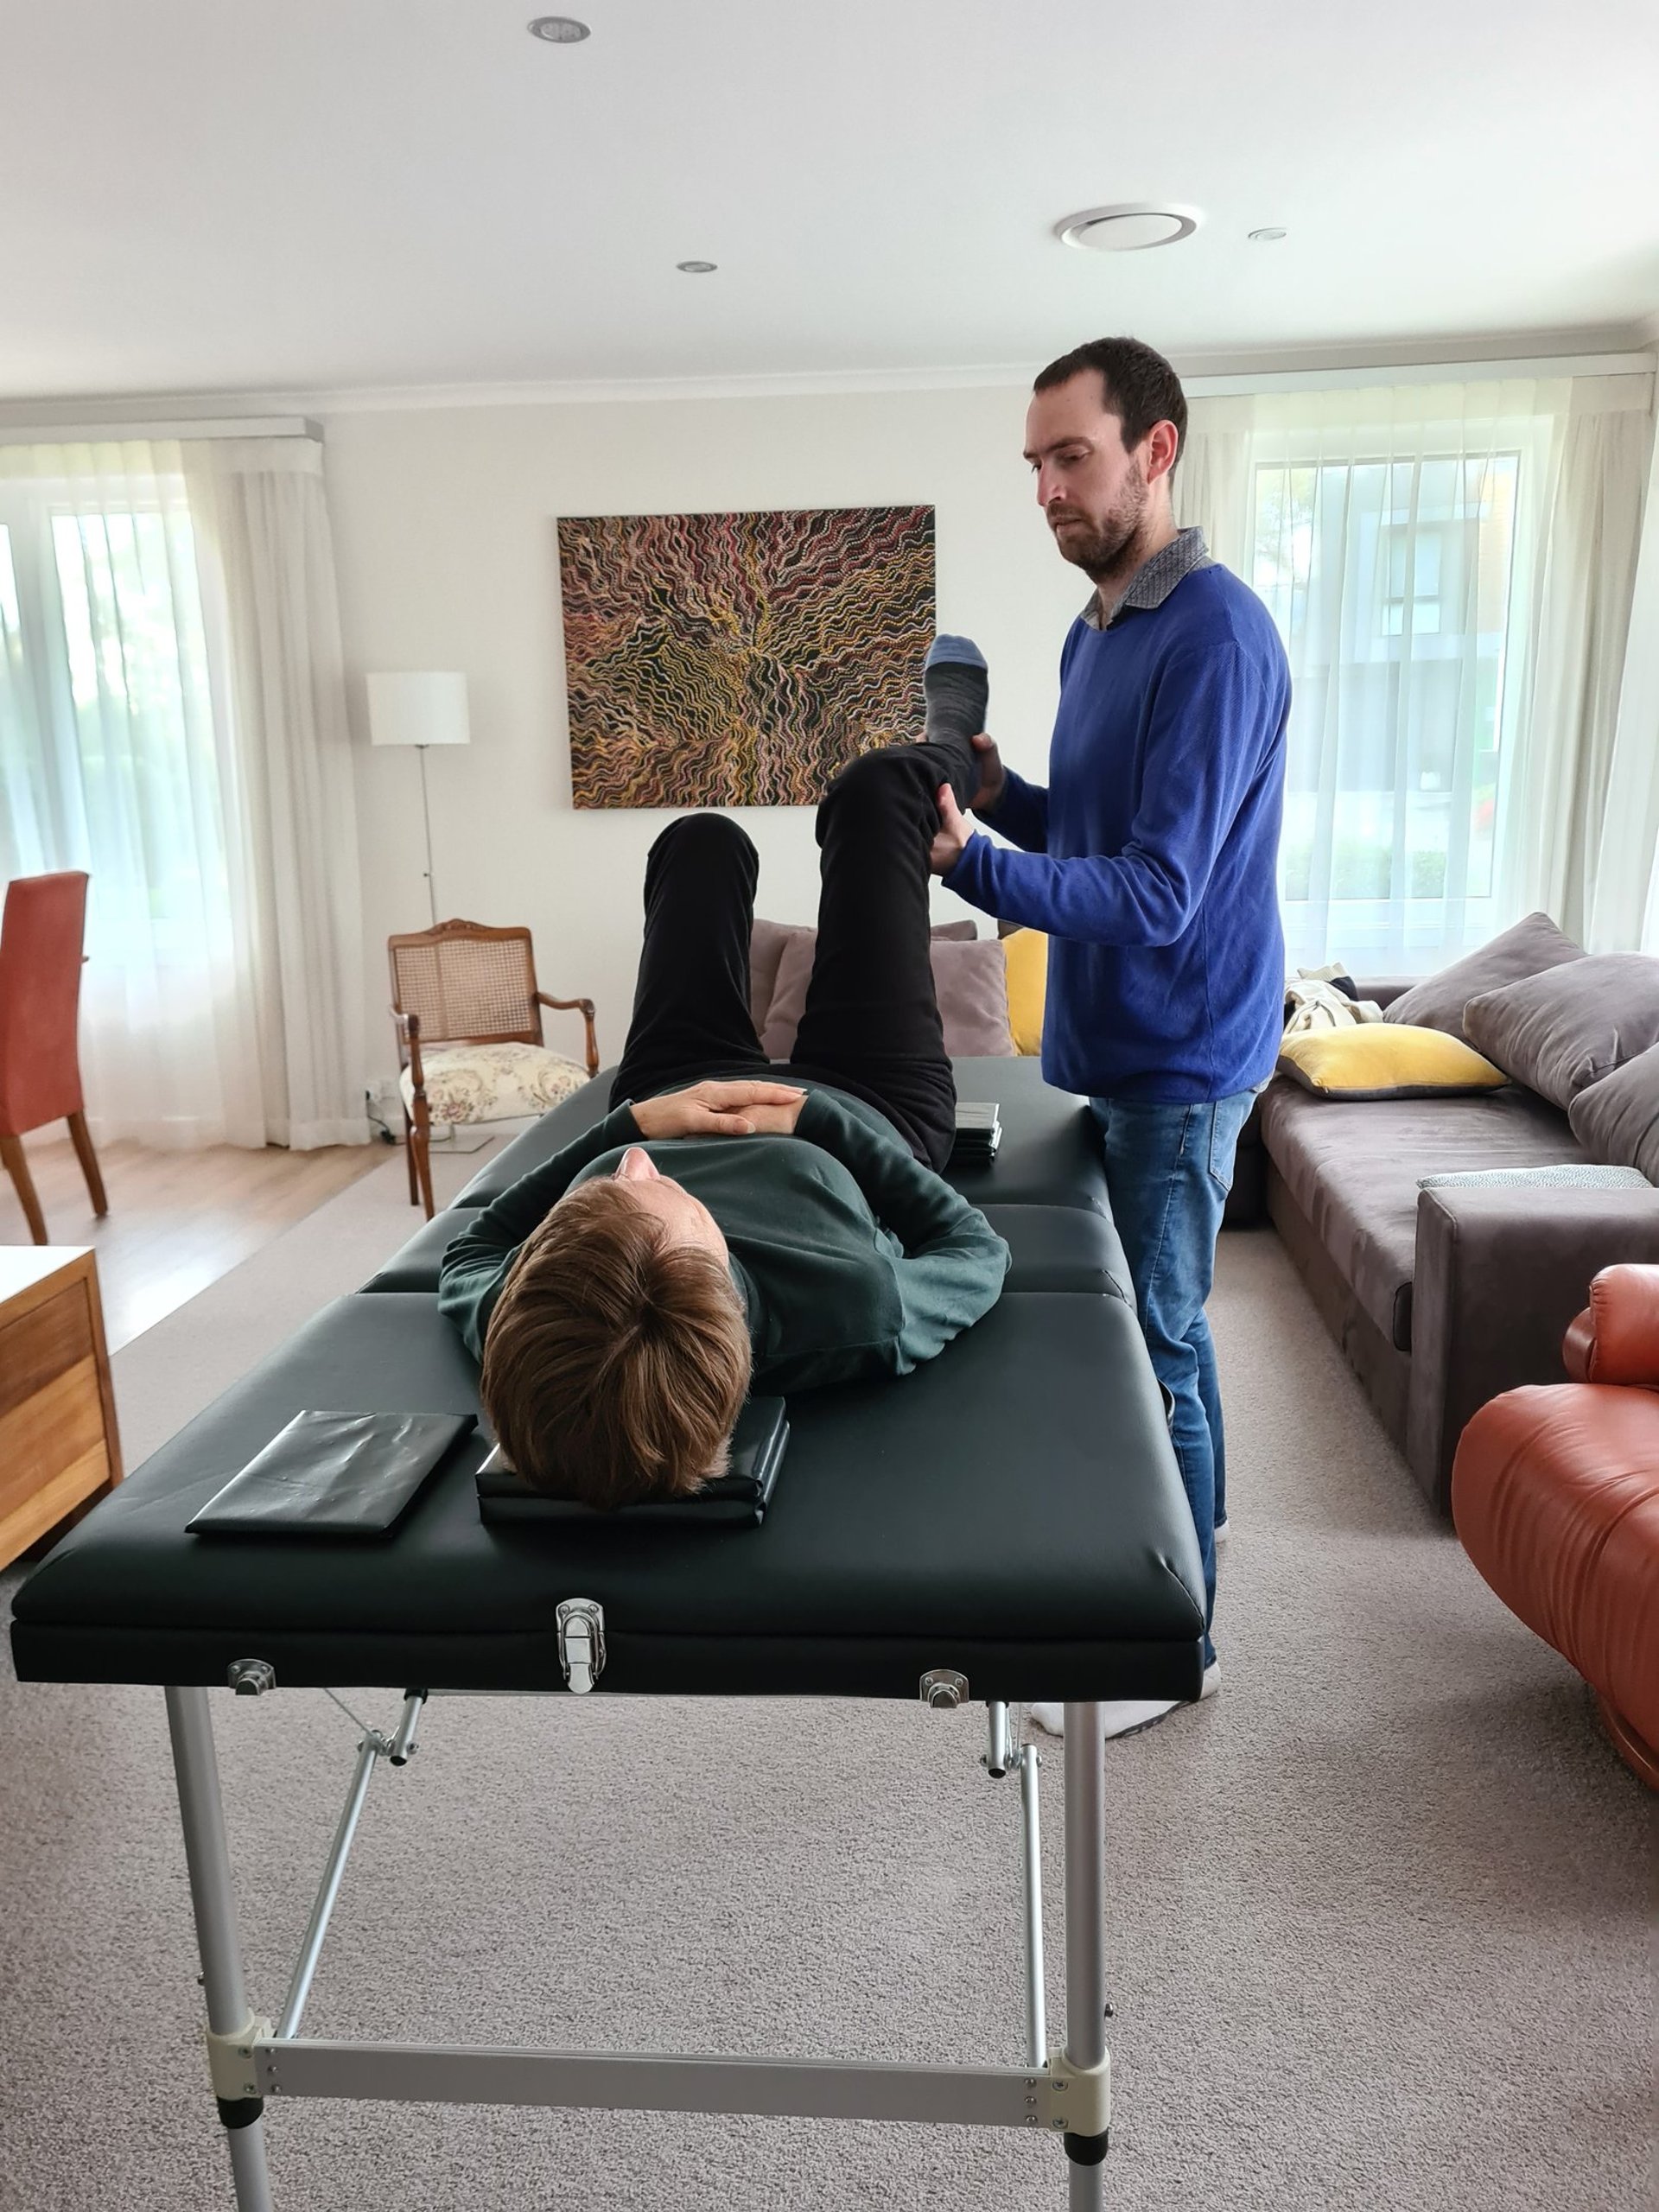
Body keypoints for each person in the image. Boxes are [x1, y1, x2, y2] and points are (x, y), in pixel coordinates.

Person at [928, 336, 1291, 1739]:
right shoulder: (1103, 628)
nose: (1045, 490)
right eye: (1033, 464)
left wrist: (969, 867)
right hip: (1114, 1042)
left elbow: (1157, 890)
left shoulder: (1215, 636)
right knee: (1139, 1339)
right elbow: (1089, 833)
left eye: (1069, 457)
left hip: (1182, 1054)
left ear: (1156, 451)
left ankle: (1178, 1641)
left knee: (1160, 1343)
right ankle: (1171, 1571)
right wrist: (997, 789)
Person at [437, 663, 1011, 1510]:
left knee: (698, 842)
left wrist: (632, 1121)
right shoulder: (855, 1308)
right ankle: (956, 751)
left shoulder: (540, 1320)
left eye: (601, 1190)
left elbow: (467, 1255)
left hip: (677, 1089)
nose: (634, 1166)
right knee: (879, 792)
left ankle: (747, 834)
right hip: (866, 1105)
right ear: (713, 1265)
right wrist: (817, 1122)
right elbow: (975, 1251)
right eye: (648, 1193)